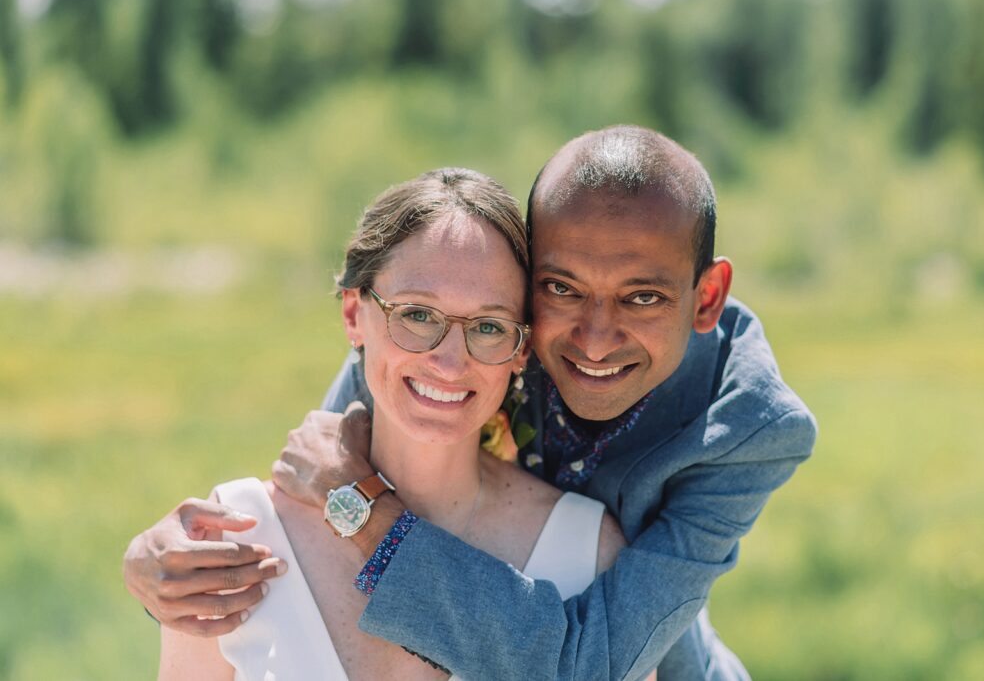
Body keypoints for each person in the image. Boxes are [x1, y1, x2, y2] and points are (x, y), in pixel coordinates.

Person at [125, 125, 817, 680]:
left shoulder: (752, 427)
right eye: (563, 289)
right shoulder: (487, 320)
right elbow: (316, 482)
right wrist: (165, 566)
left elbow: (590, 666)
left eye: (642, 297)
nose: (596, 340)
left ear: (705, 299)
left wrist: (363, 513)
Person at [156, 167, 638, 679]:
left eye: (490, 326)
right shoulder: (232, 542)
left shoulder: (588, 552)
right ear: (352, 315)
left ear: (521, 351)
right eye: (418, 315)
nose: (450, 363)